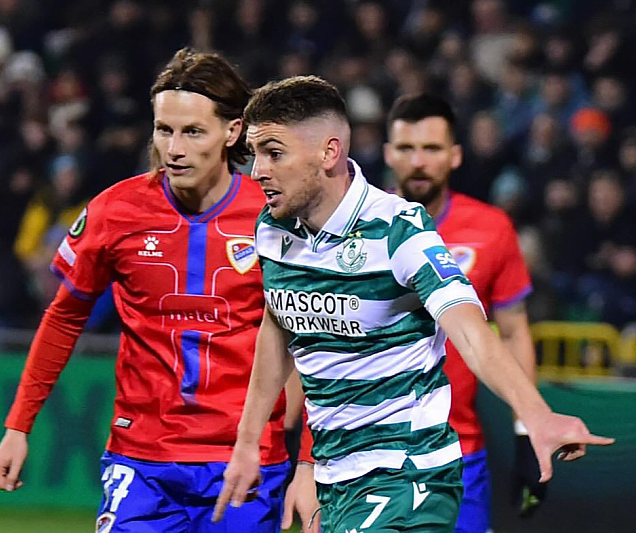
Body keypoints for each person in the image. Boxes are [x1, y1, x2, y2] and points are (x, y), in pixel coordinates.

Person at [213, 76, 613, 532]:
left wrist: (534, 416)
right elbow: (277, 326)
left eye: (274, 153)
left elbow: (471, 330)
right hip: (335, 475)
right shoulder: (273, 228)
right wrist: (250, 444)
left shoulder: (399, 229)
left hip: (409, 473)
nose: (256, 170)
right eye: (256, 153)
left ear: (328, 153)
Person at [0, 48, 316, 533]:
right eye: (164, 130)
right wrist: (18, 425)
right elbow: (63, 317)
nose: (175, 149)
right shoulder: (114, 211)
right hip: (141, 460)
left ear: (232, 133)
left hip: (245, 461)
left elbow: (316, 340)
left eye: (192, 132)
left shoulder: (277, 218)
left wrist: (308, 464)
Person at [383, 93, 543, 533]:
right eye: (406, 148)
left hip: (457, 453)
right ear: (387, 154)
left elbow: (513, 333)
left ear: (455, 155)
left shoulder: (491, 229)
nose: (418, 162)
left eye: (431, 149)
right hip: (368, 453)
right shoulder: (354, 229)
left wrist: (526, 433)